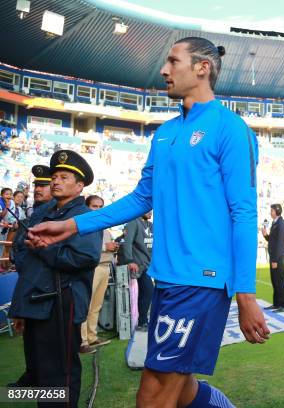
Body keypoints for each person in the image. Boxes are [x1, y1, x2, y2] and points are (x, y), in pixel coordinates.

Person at [27, 36, 269, 408]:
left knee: (153, 394)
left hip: (201, 281)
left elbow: (244, 212)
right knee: (177, 383)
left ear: (202, 68)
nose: (163, 70)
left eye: (173, 61)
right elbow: (142, 197)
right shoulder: (166, 133)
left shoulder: (230, 129)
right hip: (168, 279)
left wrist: (246, 294)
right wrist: (73, 226)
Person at [10, 150, 102, 407]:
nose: (55, 181)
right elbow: (20, 246)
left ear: (80, 185)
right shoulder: (43, 211)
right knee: (39, 368)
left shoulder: (85, 215)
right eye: (55, 177)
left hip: (60, 301)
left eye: (64, 177)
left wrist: (44, 248)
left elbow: (84, 257)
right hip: (35, 299)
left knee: (59, 371)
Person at [7, 165, 55, 388]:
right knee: (30, 340)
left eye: (44, 185)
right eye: (36, 185)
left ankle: (42, 385)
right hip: (28, 283)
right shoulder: (35, 212)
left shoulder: (54, 214)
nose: (38, 189)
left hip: (43, 288)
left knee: (44, 346)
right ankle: (32, 378)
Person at [79, 195, 118, 354]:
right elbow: (83, 247)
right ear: (87, 207)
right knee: (85, 305)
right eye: (94, 206)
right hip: (91, 268)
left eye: (100, 206)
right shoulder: (84, 225)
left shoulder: (105, 228)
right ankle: (82, 342)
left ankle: (92, 336)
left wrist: (114, 247)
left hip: (104, 267)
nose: (98, 209)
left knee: (96, 305)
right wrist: (105, 247)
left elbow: (107, 247)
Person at [118, 211, 154, 330]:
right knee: (148, 291)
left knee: (145, 293)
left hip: (147, 264)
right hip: (137, 264)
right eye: (147, 210)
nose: (150, 212)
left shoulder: (150, 225)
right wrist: (129, 260)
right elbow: (127, 243)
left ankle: (141, 320)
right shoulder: (133, 222)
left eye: (151, 210)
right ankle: (142, 321)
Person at [262, 203, 284, 312]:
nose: (270, 212)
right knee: (274, 280)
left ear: (277, 211)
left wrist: (275, 260)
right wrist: (265, 235)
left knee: (280, 281)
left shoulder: (281, 224)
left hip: (277, 258)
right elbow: (272, 240)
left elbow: (280, 243)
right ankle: (276, 303)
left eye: (272, 210)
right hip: (274, 256)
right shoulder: (275, 223)